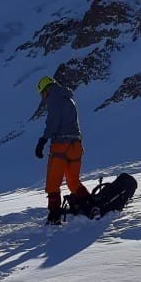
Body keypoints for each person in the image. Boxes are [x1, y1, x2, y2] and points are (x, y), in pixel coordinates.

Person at [33, 75, 92, 224]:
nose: (43, 98)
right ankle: (90, 205)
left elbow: (53, 122)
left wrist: (43, 140)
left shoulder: (54, 99)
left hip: (61, 146)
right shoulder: (68, 98)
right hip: (76, 145)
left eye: (42, 94)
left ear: (46, 90)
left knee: (53, 183)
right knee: (73, 182)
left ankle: (54, 217)